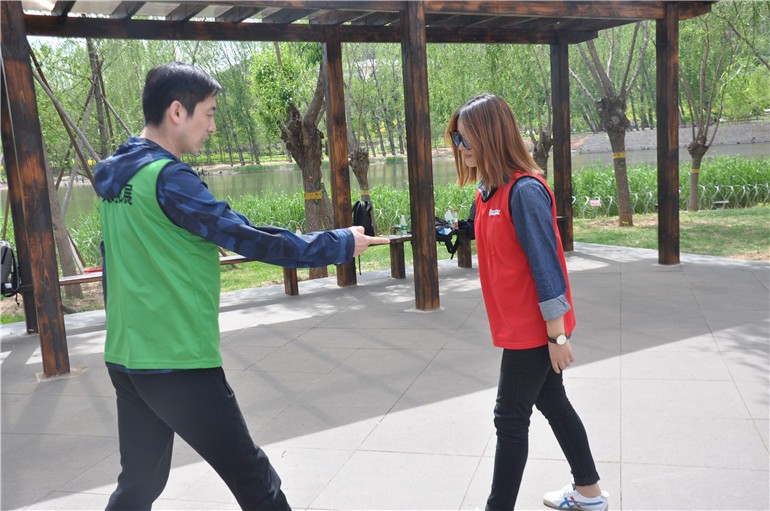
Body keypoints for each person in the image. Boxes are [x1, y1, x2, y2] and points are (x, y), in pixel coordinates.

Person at [94, 62, 389, 511]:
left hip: (125, 357)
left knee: (138, 485)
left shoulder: (115, 178)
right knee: (255, 481)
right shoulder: (169, 179)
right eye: (209, 114)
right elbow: (250, 238)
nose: (213, 127)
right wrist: (340, 242)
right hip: (176, 361)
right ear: (177, 111)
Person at [446, 93, 608, 511]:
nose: (460, 148)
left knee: (509, 419)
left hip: (534, 331)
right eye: (456, 139)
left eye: (466, 139)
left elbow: (546, 266)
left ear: (491, 136)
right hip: (519, 327)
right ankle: (589, 493)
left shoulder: (525, 191)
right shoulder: (488, 191)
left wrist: (557, 337)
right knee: (553, 401)